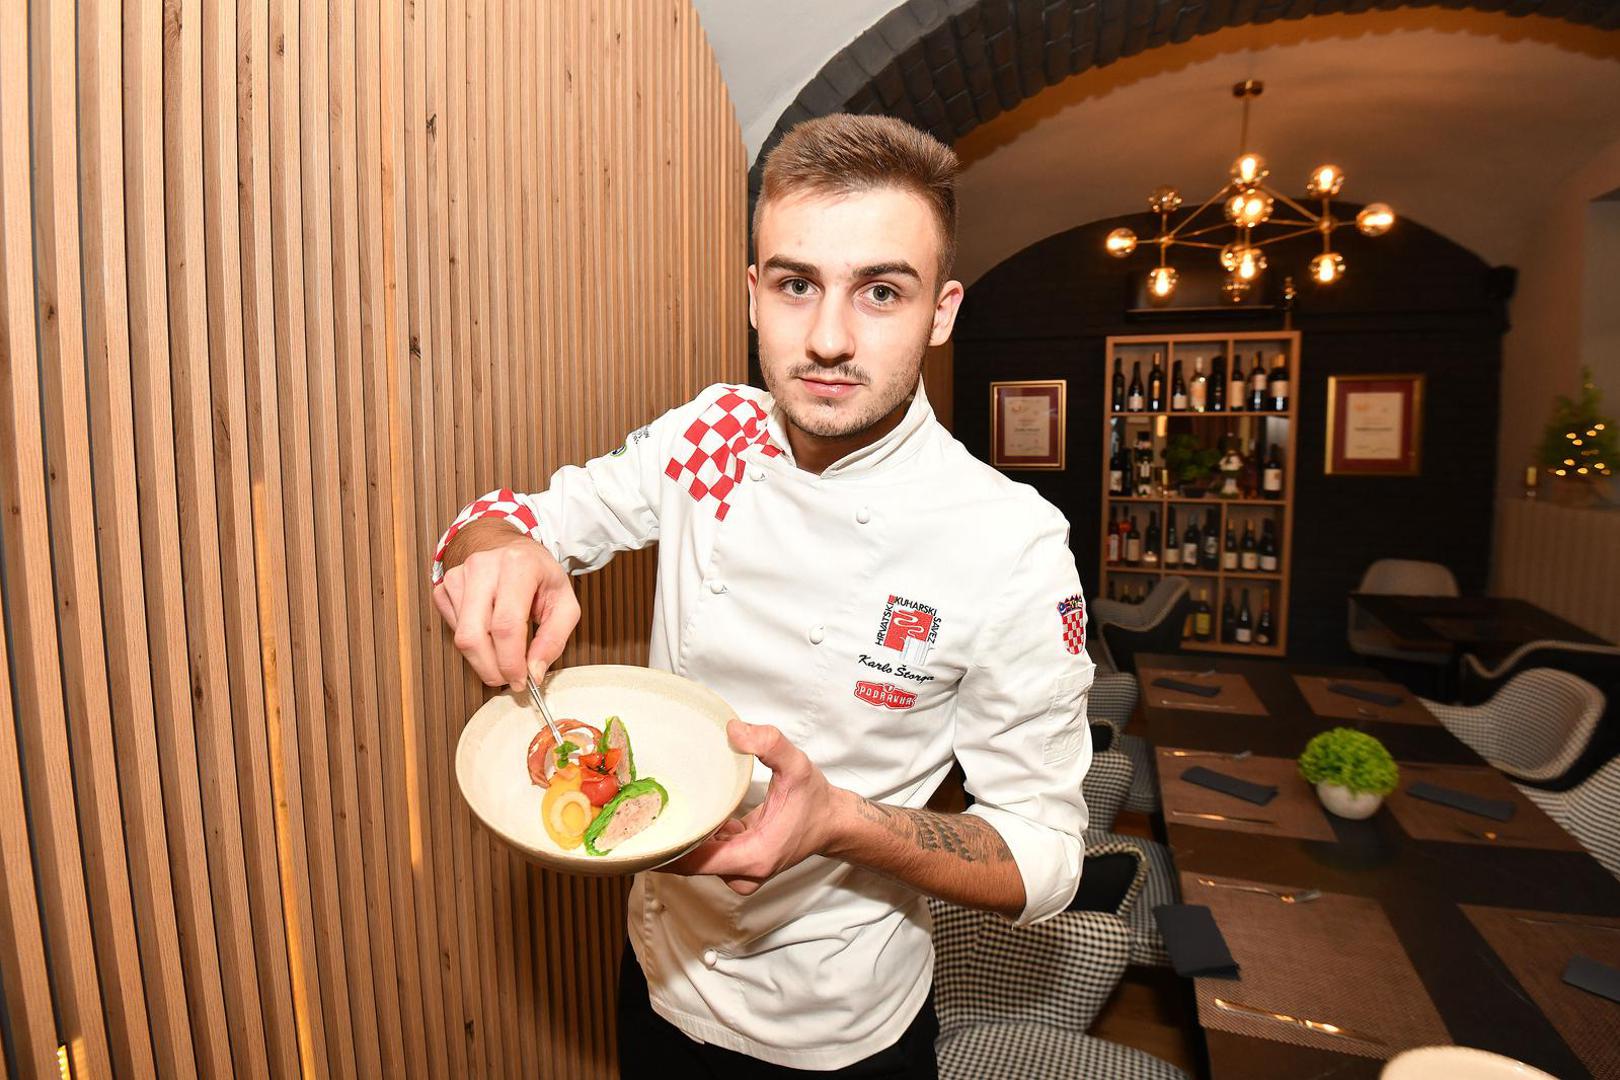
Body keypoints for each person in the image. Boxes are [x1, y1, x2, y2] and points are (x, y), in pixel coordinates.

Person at [430, 113, 1093, 1077]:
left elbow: (1046, 854)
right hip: (657, 968)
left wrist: (844, 822)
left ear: (942, 312)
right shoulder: (713, 435)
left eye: (881, 291)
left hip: (841, 1029)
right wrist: (497, 551)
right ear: (753, 295)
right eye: (796, 285)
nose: (827, 339)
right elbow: (509, 519)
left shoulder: (1009, 543)